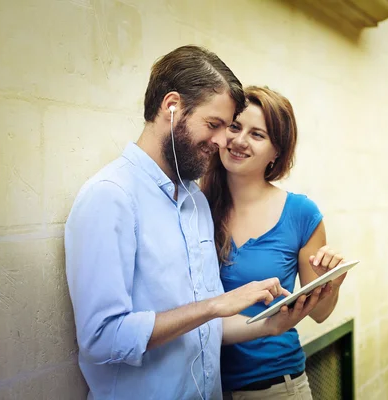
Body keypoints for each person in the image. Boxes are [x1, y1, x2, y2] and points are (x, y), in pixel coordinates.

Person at [64, 46, 325, 400]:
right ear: (172, 107)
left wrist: (271, 324)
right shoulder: (110, 197)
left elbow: (207, 329)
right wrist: (214, 305)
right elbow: (100, 339)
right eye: (215, 125)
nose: (222, 141)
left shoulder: (195, 201)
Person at [200, 86, 348, 399]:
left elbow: (320, 313)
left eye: (257, 134)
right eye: (235, 127)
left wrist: (330, 283)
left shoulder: (300, 213)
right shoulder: (195, 206)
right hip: (201, 386)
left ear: (276, 151)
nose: (239, 141)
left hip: (274, 387)